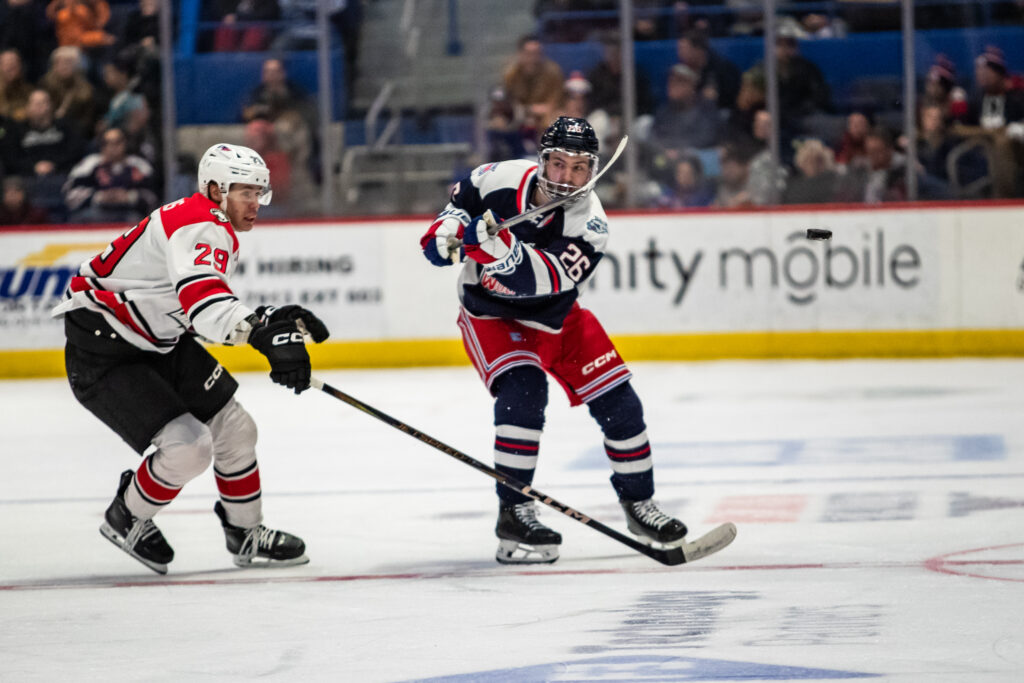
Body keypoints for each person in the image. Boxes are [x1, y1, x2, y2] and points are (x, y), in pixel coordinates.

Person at [50, 143, 331, 575]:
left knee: (235, 428)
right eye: (245, 192)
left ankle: (245, 532)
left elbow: (189, 307)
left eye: (259, 193)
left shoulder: (204, 220)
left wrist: (266, 321)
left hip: (156, 338)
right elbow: (205, 305)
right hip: (105, 349)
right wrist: (260, 334)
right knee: (189, 448)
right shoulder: (200, 225)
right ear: (216, 189)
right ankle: (127, 516)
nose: (255, 203)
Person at [419, 116, 687, 565]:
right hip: (492, 316)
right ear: (542, 160)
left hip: (558, 317)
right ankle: (515, 511)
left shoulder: (591, 224)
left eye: (579, 168)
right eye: (558, 164)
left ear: (593, 169)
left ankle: (640, 505)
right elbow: (456, 211)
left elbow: (536, 281)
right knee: (524, 392)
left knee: (622, 405)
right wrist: (442, 235)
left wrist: (492, 247)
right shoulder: (499, 177)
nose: (567, 177)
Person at [63, 126, 157, 223]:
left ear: (125, 143)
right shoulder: (89, 164)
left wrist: (130, 196)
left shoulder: (139, 165)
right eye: (108, 143)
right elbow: (71, 196)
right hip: (95, 213)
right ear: (102, 145)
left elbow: (153, 197)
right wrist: (99, 197)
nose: (113, 147)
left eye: (117, 142)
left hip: (130, 213)